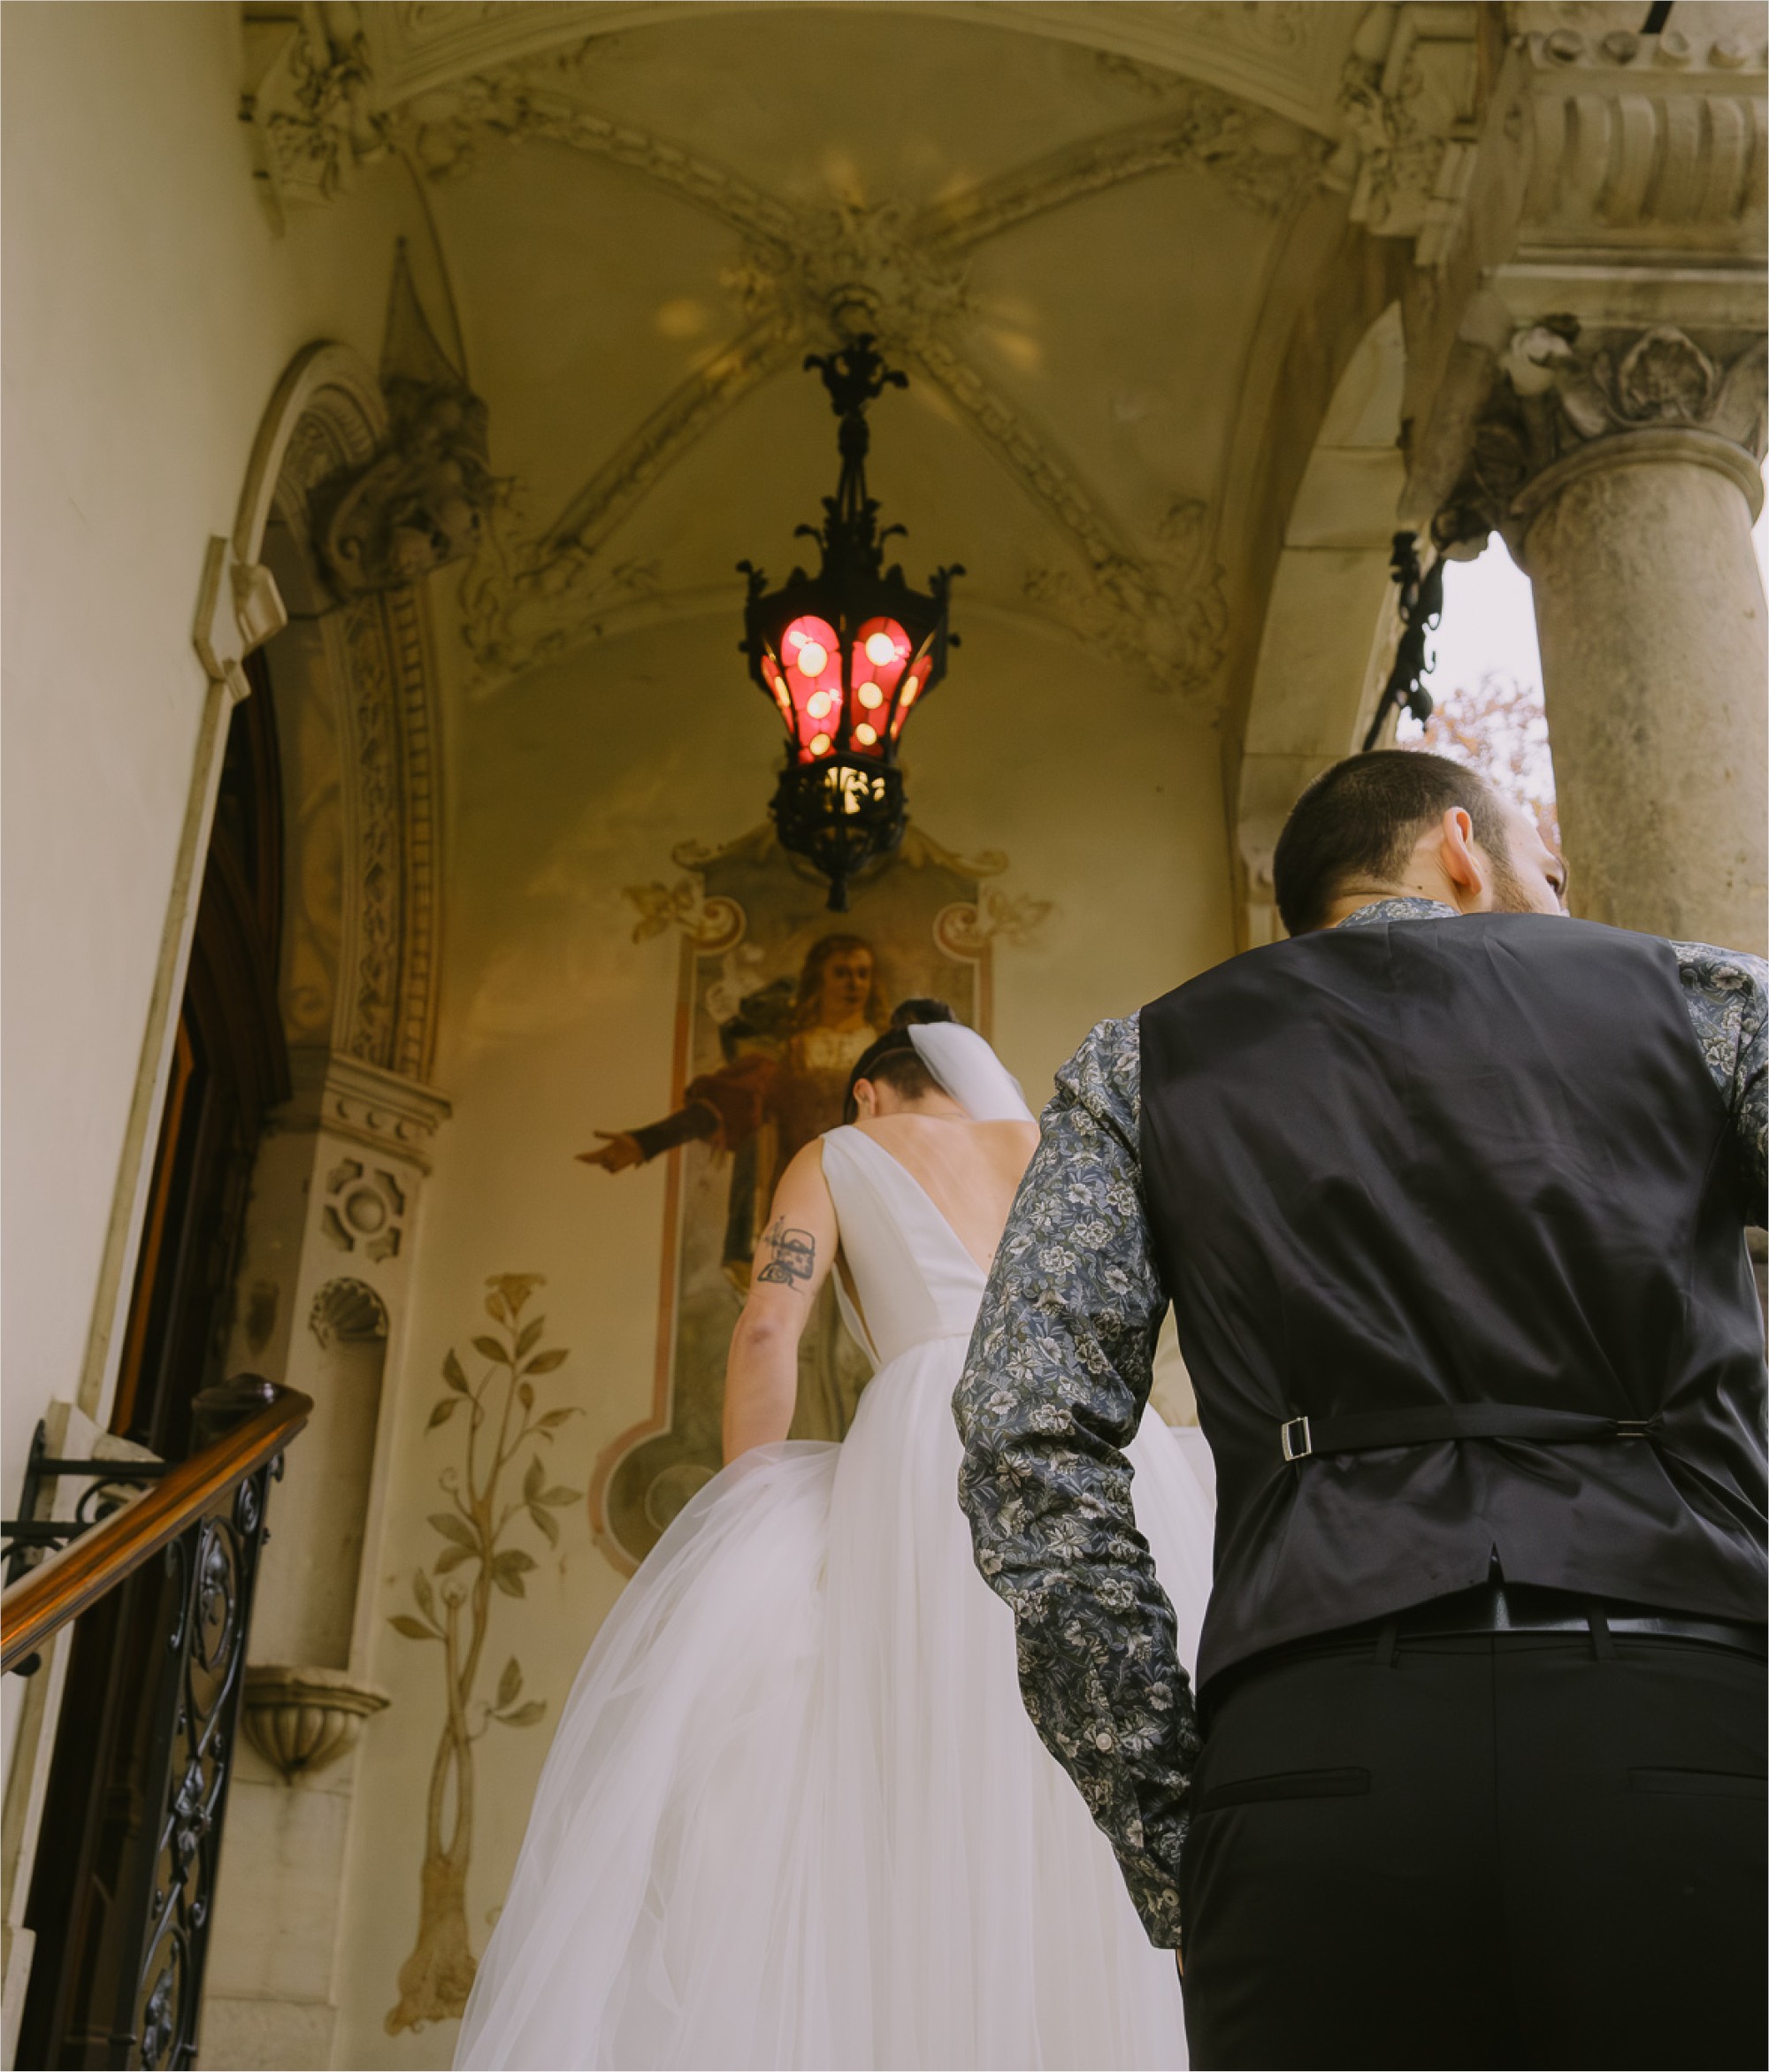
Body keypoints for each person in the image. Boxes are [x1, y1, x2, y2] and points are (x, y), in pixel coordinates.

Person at [956, 748, 1766, 2072]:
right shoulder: (1691, 998)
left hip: (1311, 1776)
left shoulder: (1143, 1063)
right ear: (1462, 846)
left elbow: (1022, 1427)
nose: (1562, 911)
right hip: (1689, 1744)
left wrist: (1173, 1817)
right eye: (1545, 875)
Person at [457, 1003, 1216, 2070]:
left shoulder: (837, 1149)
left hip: (929, 1436)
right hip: (1089, 1438)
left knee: (905, 1751)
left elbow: (770, 1323)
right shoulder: (1043, 1146)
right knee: (1088, 1747)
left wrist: (745, 1501)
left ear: (866, 1089)